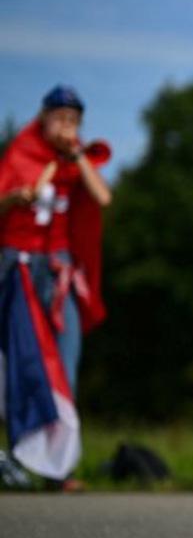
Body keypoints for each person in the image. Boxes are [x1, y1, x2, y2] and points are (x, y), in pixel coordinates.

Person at [0, 85, 110, 490]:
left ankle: (58, 468)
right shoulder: (21, 154)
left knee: (66, 363)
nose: (67, 127)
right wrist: (14, 199)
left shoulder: (75, 161)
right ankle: (18, 458)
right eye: (60, 118)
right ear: (43, 117)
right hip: (21, 266)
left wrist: (77, 155)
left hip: (60, 270)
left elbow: (102, 196)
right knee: (25, 363)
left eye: (74, 121)